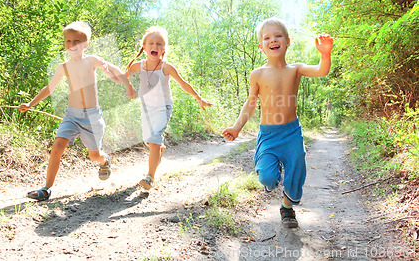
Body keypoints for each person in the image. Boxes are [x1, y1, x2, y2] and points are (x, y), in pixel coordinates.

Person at [222, 17, 333, 228]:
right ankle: (271, 179)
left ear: (288, 41)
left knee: (296, 172)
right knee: (267, 177)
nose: (273, 40)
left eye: (278, 36)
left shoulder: (296, 69)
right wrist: (237, 127)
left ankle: (287, 207)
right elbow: (250, 104)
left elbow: (321, 70)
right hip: (269, 134)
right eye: (267, 38)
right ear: (261, 46)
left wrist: (325, 54)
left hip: (291, 133)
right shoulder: (258, 74)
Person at [19, 21, 135, 201]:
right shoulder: (63, 67)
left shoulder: (92, 60)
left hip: (92, 117)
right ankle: (46, 188)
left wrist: (127, 85)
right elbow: (49, 88)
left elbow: (113, 71)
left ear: (86, 44)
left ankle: (104, 161)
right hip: (71, 115)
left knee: (94, 155)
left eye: (76, 41)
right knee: (57, 146)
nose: (72, 45)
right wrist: (31, 103)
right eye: (68, 41)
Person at [125, 26, 212, 190]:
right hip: (146, 110)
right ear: (144, 47)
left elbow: (183, 83)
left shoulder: (166, 67)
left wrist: (198, 98)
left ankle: (149, 178)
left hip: (163, 108)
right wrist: (128, 88)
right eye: (151, 43)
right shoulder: (138, 66)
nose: (155, 46)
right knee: (150, 142)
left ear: (164, 49)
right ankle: (159, 149)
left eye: (159, 44)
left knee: (154, 139)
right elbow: (123, 77)